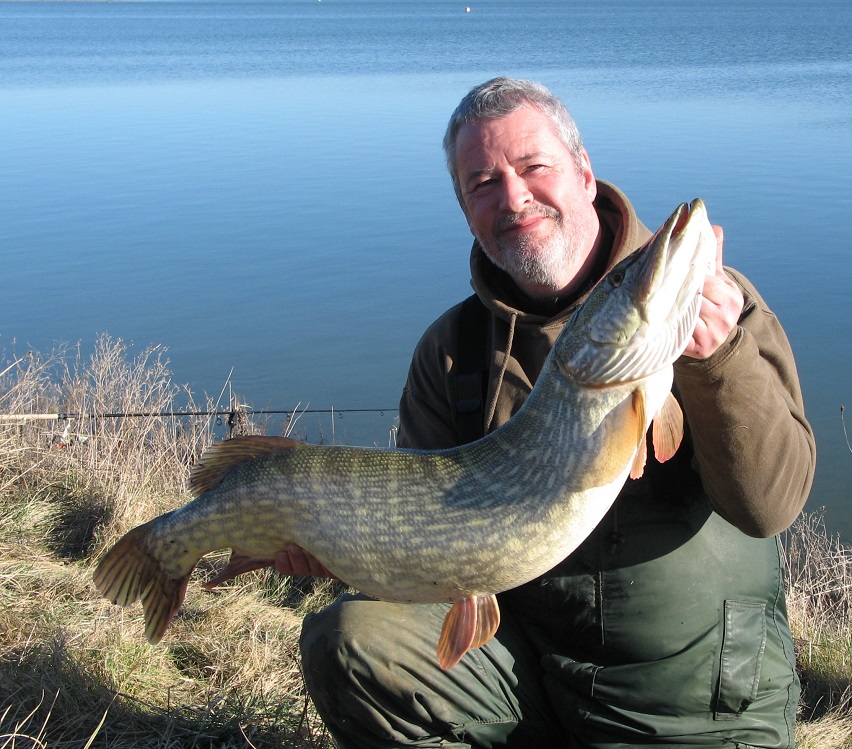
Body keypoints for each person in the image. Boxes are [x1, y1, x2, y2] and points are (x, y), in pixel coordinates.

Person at [276, 77, 816, 748]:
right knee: (351, 641)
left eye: (534, 166)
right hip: (532, 678)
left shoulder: (720, 311)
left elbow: (771, 505)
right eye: (482, 183)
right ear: (465, 210)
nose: (514, 197)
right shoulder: (451, 354)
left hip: (698, 705)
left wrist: (717, 361)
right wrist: (344, 546)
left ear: (584, 174)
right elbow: (426, 562)